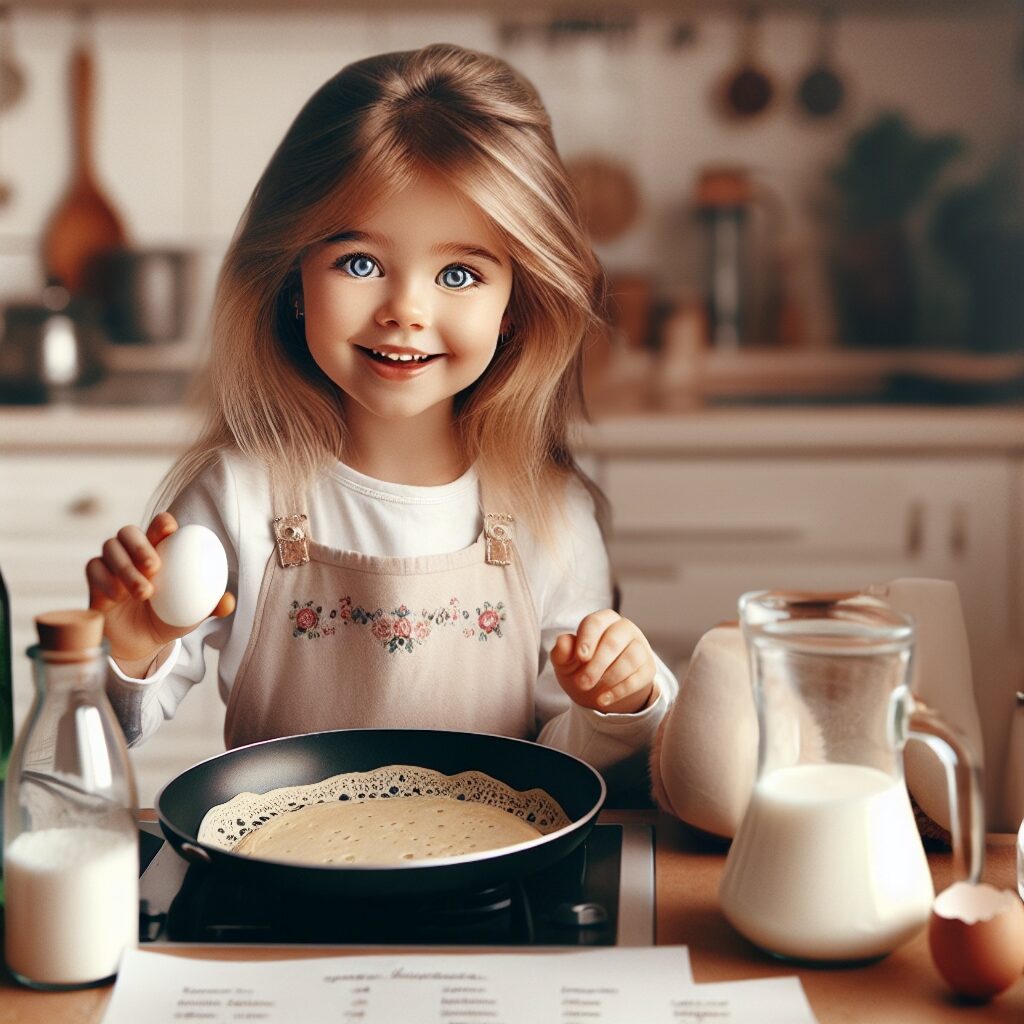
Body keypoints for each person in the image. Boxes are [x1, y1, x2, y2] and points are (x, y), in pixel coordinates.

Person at [87, 43, 678, 790]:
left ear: (515, 309)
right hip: (283, 884)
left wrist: (618, 704)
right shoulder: (238, 494)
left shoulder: (550, 514)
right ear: (293, 280)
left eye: (459, 274)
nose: (406, 310)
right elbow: (97, 739)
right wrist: (131, 651)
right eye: (360, 263)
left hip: (488, 884)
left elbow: (567, 762)